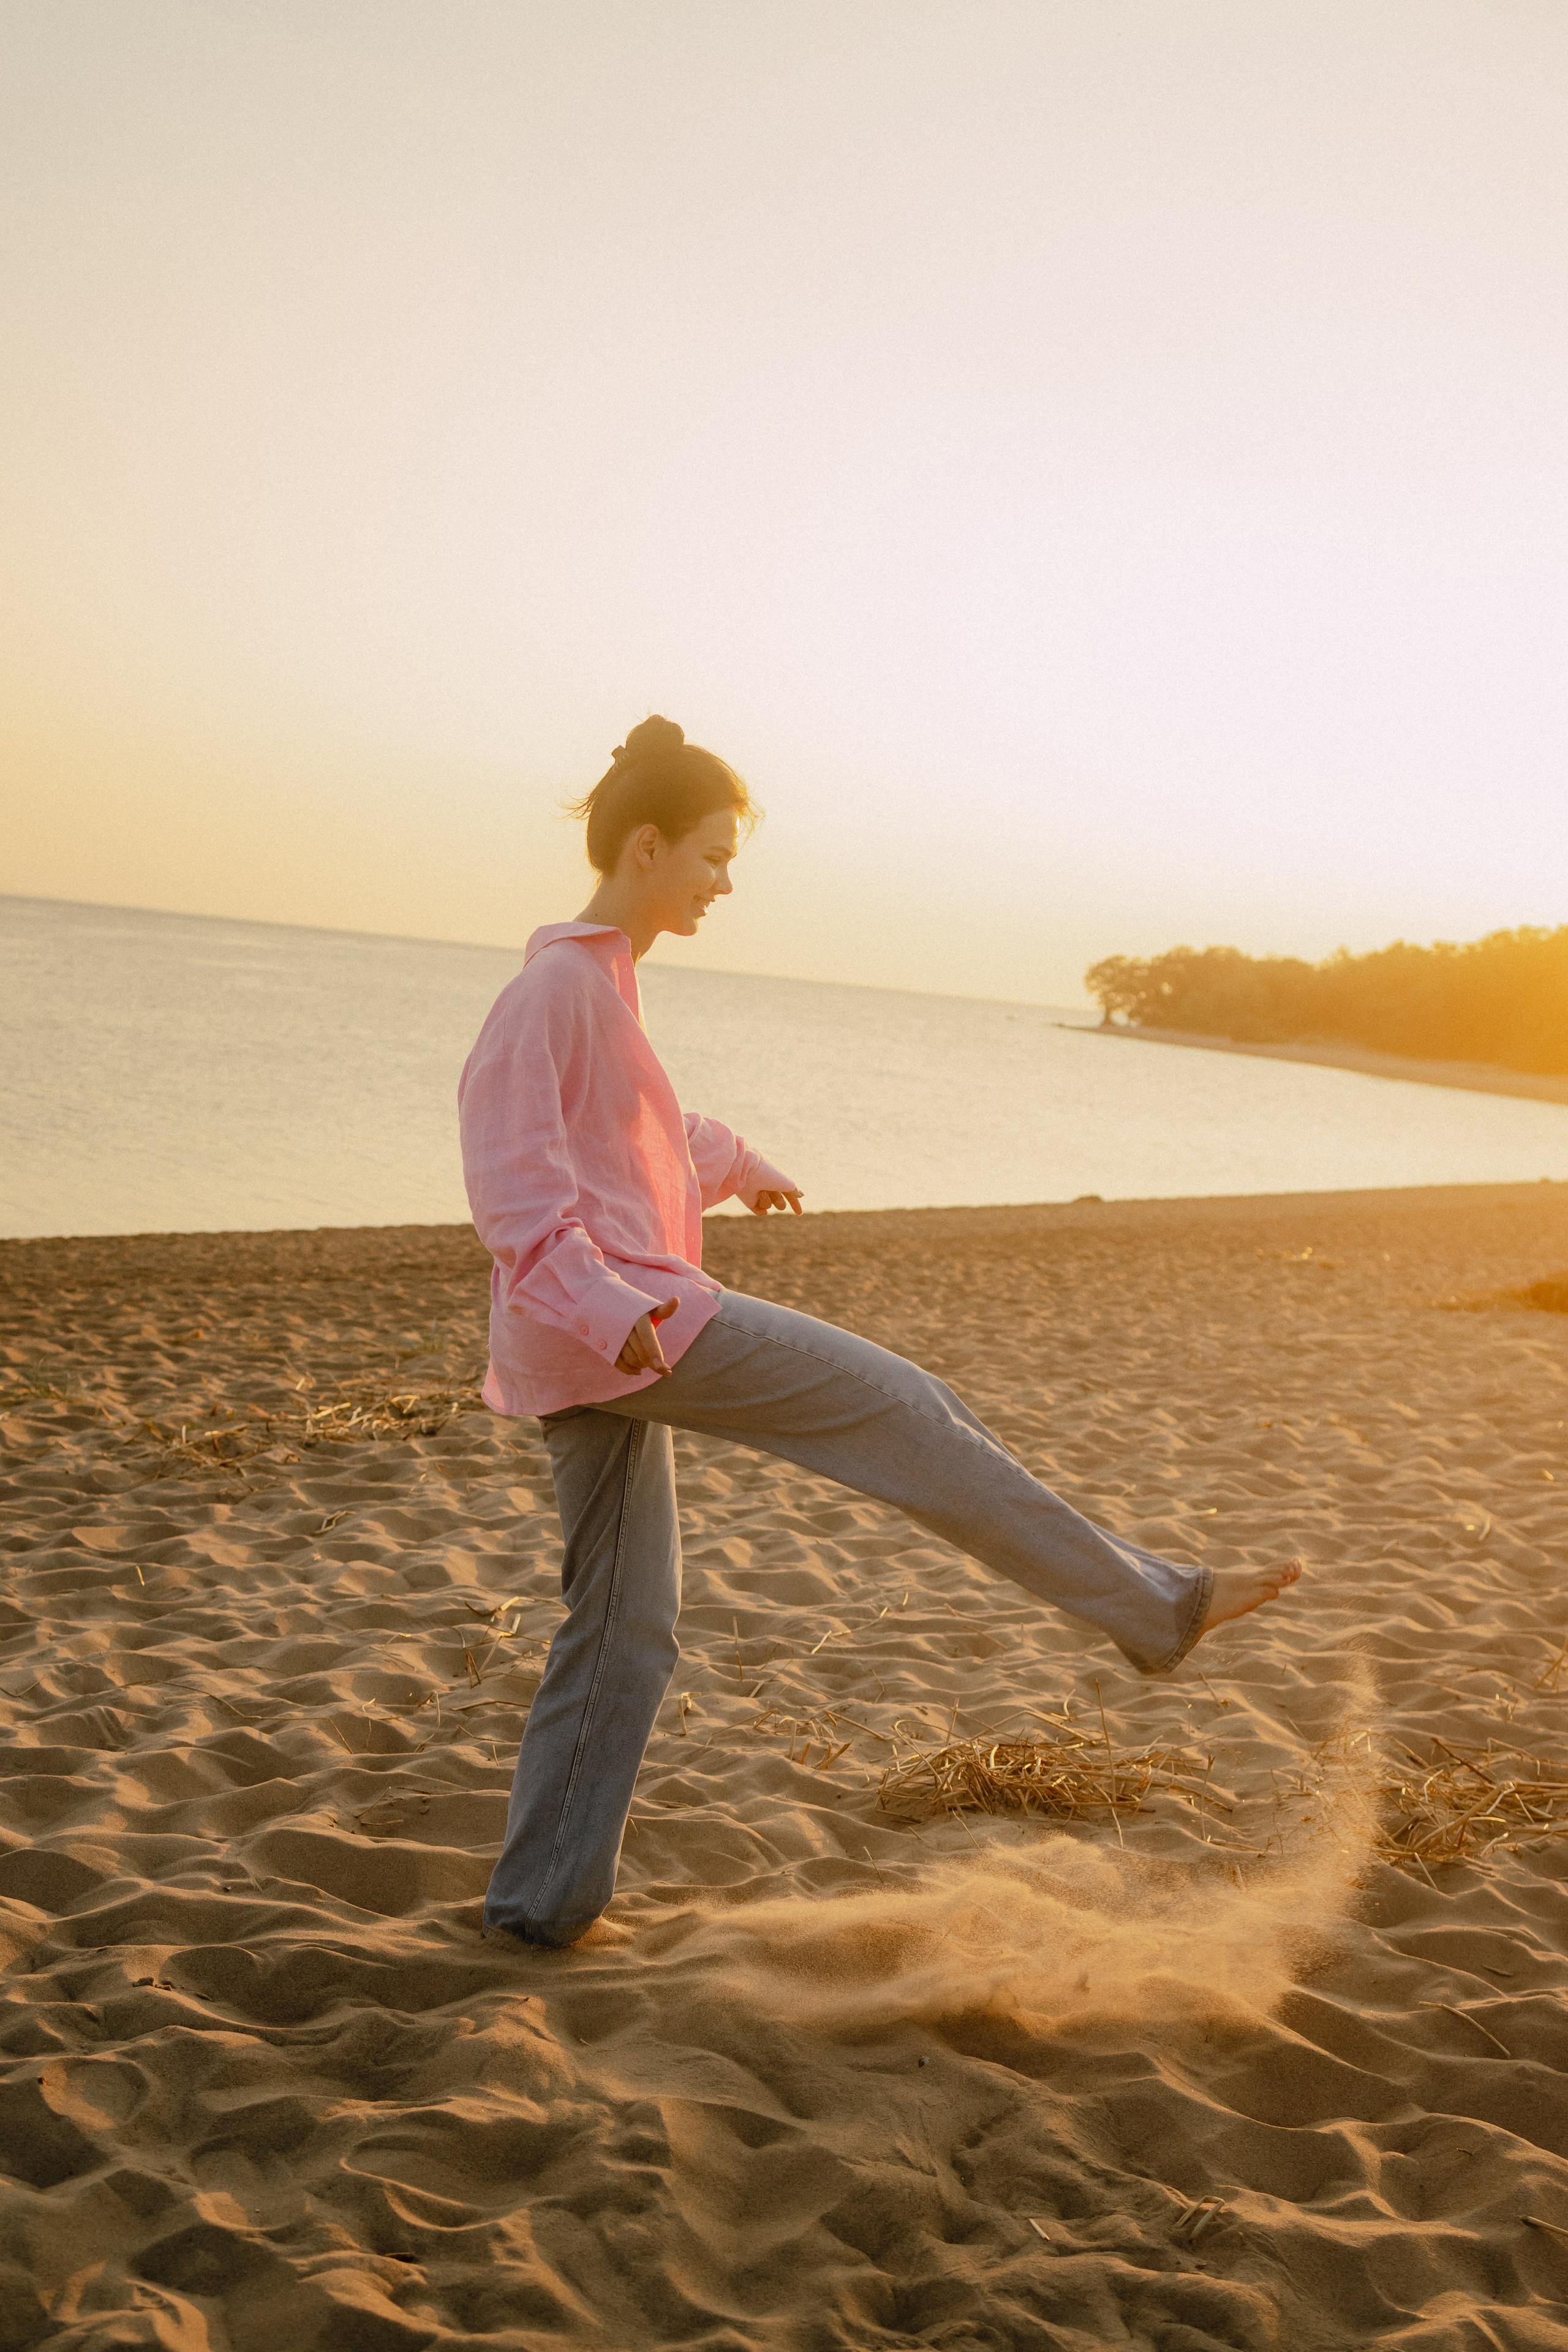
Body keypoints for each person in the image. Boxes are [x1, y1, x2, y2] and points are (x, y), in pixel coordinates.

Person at [458, 716, 1302, 1948]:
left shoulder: (596, 987)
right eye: (709, 856)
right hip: (627, 1329)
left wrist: (735, 1161)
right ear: (646, 847)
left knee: (626, 1630)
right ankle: (1153, 1607)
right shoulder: (551, 991)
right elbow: (517, 1191)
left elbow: (623, 1141)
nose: (722, 882)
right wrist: (613, 1311)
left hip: (599, 1343)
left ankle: (539, 1910)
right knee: (904, 1409)